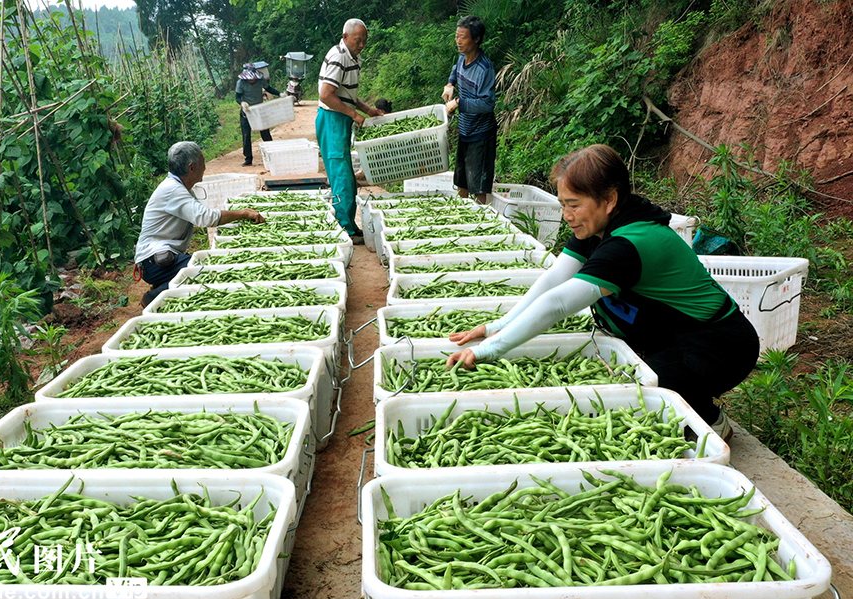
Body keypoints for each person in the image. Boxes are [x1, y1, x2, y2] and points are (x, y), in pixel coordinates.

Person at [445, 144, 759, 441]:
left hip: (721, 345)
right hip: (678, 334)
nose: (567, 215)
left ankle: (710, 420)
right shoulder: (598, 225)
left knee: (649, 388)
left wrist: (489, 350)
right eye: (562, 204)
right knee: (632, 386)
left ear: (608, 200)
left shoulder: (630, 243)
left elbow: (558, 304)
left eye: (573, 204)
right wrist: (496, 327)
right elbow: (555, 279)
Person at [134, 141, 265, 306]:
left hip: (160, 258)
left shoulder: (179, 188)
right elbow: (205, 218)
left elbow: (201, 214)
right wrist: (243, 214)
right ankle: (156, 296)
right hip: (152, 262)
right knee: (204, 269)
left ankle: (164, 284)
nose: (205, 167)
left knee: (202, 266)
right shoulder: (173, 190)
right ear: (191, 168)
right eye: (203, 161)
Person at [316, 18, 386, 244]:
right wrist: (355, 115)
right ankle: (344, 228)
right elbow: (326, 95)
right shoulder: (339, 57)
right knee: (342, 175)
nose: (362, 44)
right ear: (346, 37)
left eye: (365, 40)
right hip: (332, 119)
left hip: (340, 118)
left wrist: (367, 110)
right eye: (358, 40)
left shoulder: (353, 57)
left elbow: (348, 94)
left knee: (344, 171)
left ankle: (348, 225)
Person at [442, 15, 496, 205]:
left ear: (476, 39)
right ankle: (462, 216)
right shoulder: (462, 58)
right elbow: (456, 68)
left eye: (463, 37)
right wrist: (450, 83)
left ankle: (480, 220)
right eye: (457, 36)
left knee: (478, 186)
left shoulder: (484, 68)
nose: (458, 41)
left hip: (481, 135)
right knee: (462, 182)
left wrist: (458, 102)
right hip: (465, 131)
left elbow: (487, 104)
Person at [236, 64, 282, 167]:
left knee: (265, 133)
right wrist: (242, 103)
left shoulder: (260, 81)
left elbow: (269, 88)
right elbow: (237, 97)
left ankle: (272, 153)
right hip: (247, 111)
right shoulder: (241, 83)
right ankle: (248, 158)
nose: (252, 81)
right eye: (250, 80)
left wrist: (279, 94)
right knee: (246, 134)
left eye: (253, 79)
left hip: (259, 110)